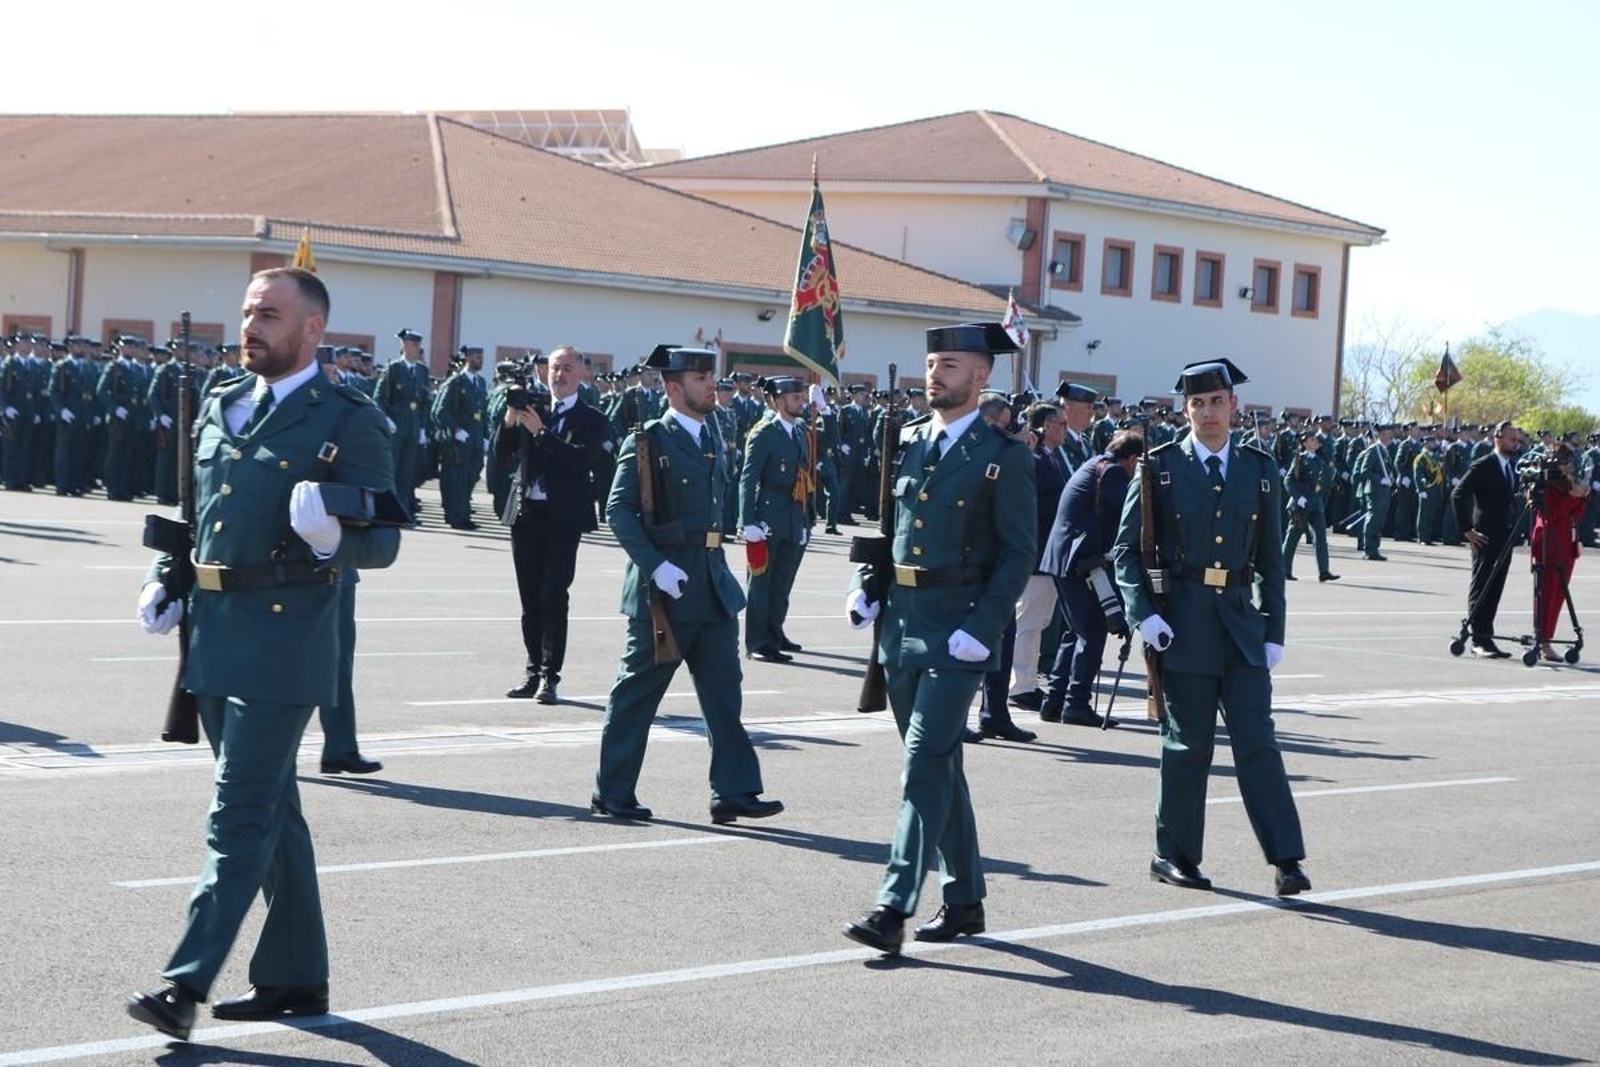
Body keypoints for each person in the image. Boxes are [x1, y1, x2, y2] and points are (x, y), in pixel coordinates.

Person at [125, 267, 401, 1040]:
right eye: (248, 311)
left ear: (312, 329)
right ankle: (295, 975)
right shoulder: (221, 403)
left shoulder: (349, 418)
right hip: (212, 631)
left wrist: (332, 538)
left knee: (238, 813)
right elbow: (196, 511)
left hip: (287, 636)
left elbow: (382, 541)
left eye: (270, 314)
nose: (252, 326)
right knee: (275, 811)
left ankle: (184, 983)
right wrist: (168, 576)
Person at [841, 322, 1036, 956]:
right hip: (902, 626)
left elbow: (1017, 556)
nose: (935, 374)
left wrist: (983, 628)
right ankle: (966, 899)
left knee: (922, 761)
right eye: (931, 363)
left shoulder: (1005, 457)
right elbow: (892, 527)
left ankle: (893, 905)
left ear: (981, 378)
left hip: (959, 633)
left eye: (949, 365)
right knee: (941, 768)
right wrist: (871, 585)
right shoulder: (910, 440)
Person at [1113, 358, 1311, 898]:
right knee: (1187, 746)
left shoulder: (1259, 468)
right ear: (1186, 409)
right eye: (1197, 403)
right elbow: (1125, 553)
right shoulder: (1158, 468)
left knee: (1258, 743)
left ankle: (1286, 858)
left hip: (1242, 626)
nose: (1207, 412)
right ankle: (1172, 854)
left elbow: (1272, 558)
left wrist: (1274, 630)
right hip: (1183, 625)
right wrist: (1143, 615)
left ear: (1234, 407)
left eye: (1216, 401)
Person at [592, 344, 783, 824]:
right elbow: (618, 511)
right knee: (638, 692)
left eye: (710, 377)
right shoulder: (650, 439)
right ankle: (612, 790)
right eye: (700, 379)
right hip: (668, 587)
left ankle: (734, 790)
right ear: (674, 388)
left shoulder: (713, 433)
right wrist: (655, 566)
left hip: (712, 582)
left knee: (724, 693)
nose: (711, 386)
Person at [501, 345, 607, 703]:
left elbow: (579, 459)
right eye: (554, 368)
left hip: (562, 518)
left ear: (580, 376)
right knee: (529, 599)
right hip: (526, 513)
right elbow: (503, 453)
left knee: (552, 596)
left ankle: (550, 676)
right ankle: (532, 672)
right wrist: (511, 420)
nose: (558, 375)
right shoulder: (534, 408)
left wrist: (542, 433)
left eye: (566, 369)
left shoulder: (591, 417)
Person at [1039, 429, 1144, 727]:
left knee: (1075, 632)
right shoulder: (1112, 472)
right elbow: (1133, 511)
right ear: (1133, 459)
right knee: (1092, 632)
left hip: (1069, 559)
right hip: (1079, 562)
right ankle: (1076, 704)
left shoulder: (1096, 462)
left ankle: (1055, 701)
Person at [740, 375, 814, 662]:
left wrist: (808, 518)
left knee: (783, 582)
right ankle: (758, 642)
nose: (801, 401)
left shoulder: (799, 432)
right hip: (768, 516)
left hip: (794, 515)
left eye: (802, 396)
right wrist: (747, 521)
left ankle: (775, 632)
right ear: (778, 400)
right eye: (795, 397)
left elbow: (805, 475)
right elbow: (748, 479)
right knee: (761, 583)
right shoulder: (765, 432)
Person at [1008, 400, 1073, 714]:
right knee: (1028, 623)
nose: (1065, 428)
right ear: (1046, 427)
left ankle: (1027, 682)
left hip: (1048, 554)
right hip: (1037, 554)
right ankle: (1020, 686)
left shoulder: (1050, 457)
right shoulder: (1035, 460)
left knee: (1037, 622)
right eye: (1060, 423)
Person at [1452, 421, 1524, 658]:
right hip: (1484, 536)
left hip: (1505, 536)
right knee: (1482, 585)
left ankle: (1487, 637)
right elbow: (1458, 494)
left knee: (1495, 588)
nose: (1516, 444)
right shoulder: (1484, 465)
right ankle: (1478, 640)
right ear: (1498, 438)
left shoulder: (1512, 467)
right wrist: (1466, 530)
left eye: (1518, 440)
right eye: (1512, 439)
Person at [1530, 445, 1589, 660]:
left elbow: (1576, 514)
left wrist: (1581, 496)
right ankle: (1543, 639)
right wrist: (1574, 496)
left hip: (1566, 543)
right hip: (1550, 543)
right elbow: (1552, 513)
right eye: (1564, 463)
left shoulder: (1564, 484)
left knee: (1558, 595)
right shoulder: (1547, 484)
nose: (1568, 468)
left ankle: (1547, 637)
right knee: (1548, 593)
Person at [375, 328, 431, 513]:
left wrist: (423, 428)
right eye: (413, 344)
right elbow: (379, 398)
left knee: (408, 472)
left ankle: (404, 509)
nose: (417, 349)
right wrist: (386, 420)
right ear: (404, 345)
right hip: (396, 427)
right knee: (393, 469)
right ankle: (388, 509)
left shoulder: (422, 370)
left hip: (413, 427)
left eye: (418, 345)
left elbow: (424, 402)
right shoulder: (393, 369)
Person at [435, 345, 489, 529]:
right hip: (460, 439)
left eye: (481, 357)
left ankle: (462, 512)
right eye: (476, 357)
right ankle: (457, 516)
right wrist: (456, 430)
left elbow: (484, 411)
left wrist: (484, 435)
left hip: (475, 437)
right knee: (458, 478)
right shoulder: (456, 382)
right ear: (467, 358)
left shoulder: (480, 382)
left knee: (472, 474)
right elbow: (441, 411)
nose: (479, 360)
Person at [1281, 430, 1339, 582]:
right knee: (1293, 537)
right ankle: (1283, 569)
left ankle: (1324, 571)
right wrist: (1298, 497)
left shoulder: (1320, 460)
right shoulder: (1300, 459)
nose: (1316, 442)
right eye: (1313, 440)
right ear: (1305, 442)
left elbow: (1325, 482)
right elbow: (1288, 480)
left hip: (1315, 504)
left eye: (1316, 440)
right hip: (1301, 504)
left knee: (1321, 538)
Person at [1351, 423, 1396, 560]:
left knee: (1379, 521)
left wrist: (1391, 478)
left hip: (1384, 491)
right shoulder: (1373, 450)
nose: (1390, 436)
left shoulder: (1384, 451)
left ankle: (1375, 548)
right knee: (1373, 519)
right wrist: (1380, 479)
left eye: (1390, 433)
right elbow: (1365, 471)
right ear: (1381, 435)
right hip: (1374, 490)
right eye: (1388, 433)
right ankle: (1369, 549)